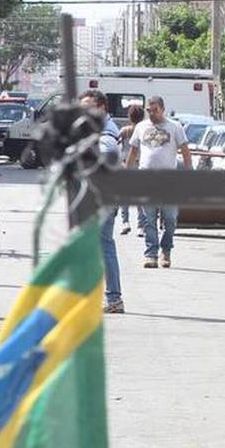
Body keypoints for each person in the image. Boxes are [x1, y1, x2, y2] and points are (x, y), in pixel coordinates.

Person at [125, 95, 191, 268]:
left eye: (155, 110)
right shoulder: (140, 127)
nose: (152, 113)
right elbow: (132, 152)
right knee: (149, 219)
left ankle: (166, 250)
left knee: (170, 218)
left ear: (163, 109)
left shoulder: (174, 127)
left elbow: (185, 151)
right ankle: (151, 254)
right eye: (149, 110)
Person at [80, 88, 125, 314]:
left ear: (102, 108)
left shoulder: (106, 134)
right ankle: (110, 297)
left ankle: (113, 297)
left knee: (101, 246)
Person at [117, 103, 145, 235]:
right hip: (140, 165)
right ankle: (140, 225)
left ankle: (125, 222)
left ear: (130, 117)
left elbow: (117, 145)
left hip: (126, 165)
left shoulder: (124, 131)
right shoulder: (144, 131)